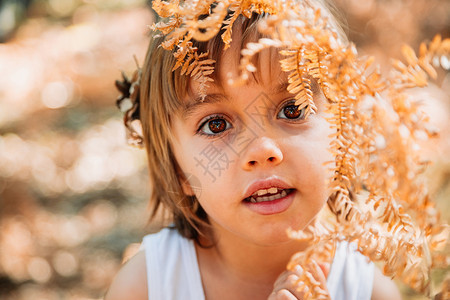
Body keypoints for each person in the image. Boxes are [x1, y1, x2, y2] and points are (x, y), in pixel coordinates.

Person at [106, 0, 403, 299]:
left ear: (344, 133)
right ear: (178, 168)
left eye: (292, 109)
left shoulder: (368, 292)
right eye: (216, 125)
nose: (261, 150)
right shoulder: (145, 287)